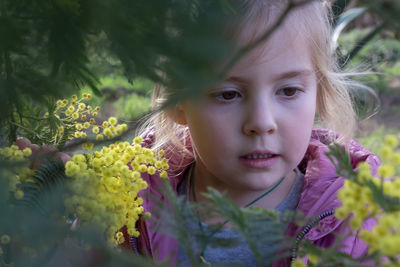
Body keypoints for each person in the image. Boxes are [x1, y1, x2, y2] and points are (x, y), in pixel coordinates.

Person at [121, 0, 380, 266]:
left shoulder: (355, 225)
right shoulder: (127, 204)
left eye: (288, 90)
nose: (261, 122)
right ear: (177, 103)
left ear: (320, 94)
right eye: (228, 94)